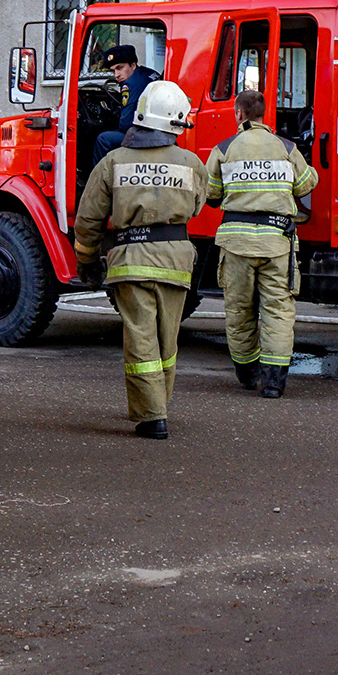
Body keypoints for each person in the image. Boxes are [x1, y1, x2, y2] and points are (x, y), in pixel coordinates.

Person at [74, 80, 205, 440]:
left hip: (130, 262)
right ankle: (159, 404)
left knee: (141, 338)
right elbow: (197, 204)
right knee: (166, 340)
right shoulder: (191, 163)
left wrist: (86, 262)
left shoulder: (112, 161)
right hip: (176, 263)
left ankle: (152, 416)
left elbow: (88, 220)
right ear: (177, 123)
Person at [205, 89, 319, 397]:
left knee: (239, 309)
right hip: (276, 242)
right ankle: (273, 384)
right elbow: (307, 182)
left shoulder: (224, 148)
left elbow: (210, 192)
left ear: (238, 114)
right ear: (263, 115)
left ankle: (247, 374)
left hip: (236, 243)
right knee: (278, 310)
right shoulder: (285, 147)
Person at [91, 44, 160, 161]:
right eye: (113, 71)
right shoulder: (148, 73)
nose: (116, 75)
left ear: (133, 65)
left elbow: (126, 125)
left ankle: (99, 177)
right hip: (156, 128)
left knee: (103, 139)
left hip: (146, 134)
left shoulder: (130, 84)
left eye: (120, 68)